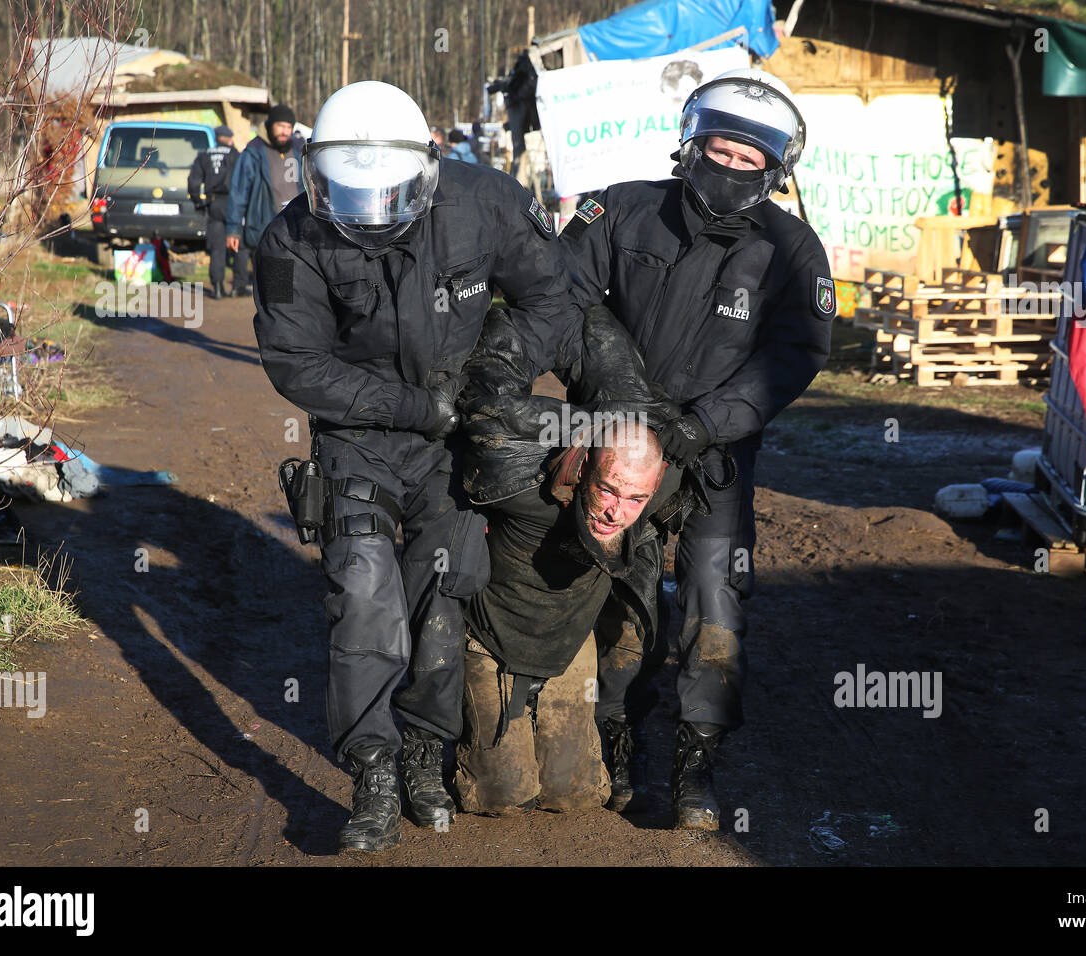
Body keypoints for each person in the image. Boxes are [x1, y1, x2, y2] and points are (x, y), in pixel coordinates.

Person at [251, 81, 582, 853]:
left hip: (458, 435)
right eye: (350, 197)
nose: (370, 216)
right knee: (364, 591)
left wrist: (492, 379)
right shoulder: (293, 238)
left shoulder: (487, 203)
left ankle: (427, 752)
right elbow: (297, 361)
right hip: (361, 432)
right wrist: (412, 407)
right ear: (318, 172)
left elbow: (550, 301)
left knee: (442, 594)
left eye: (388, 196)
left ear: (427, 169)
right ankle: (372, 767)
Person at [559, 68, 836, 831]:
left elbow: (796, 354)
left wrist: (707, 423)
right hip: (616, 445)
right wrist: (617, 399)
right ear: (691, 142)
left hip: (717, 453)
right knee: (619, 597)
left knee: (715, 601)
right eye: (721, 149)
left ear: (778, 171)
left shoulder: (792, 249)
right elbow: (563, 301)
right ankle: (617, 748)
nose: (732, 167)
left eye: (752, 161)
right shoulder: (620, 209)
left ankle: (696, 767)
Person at [451, 305, 695, 814]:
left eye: (634, 499)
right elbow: (484, 406)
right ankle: (438, 733)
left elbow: (669, 427)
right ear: (584, 465)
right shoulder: (518, 484)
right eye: (607, 489)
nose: (615, 511)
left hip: (567, 646)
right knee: (501, 795)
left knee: (574, 796)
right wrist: (588, 422)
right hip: (493, 638)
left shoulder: (660, 485)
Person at [225, 104, 304, 296]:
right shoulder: (255, 150)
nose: (285, 131)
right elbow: (239, 190)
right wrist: (233, 229)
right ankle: (278, 323)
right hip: (268, 227)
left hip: (299, 228)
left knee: (299, 289)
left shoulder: (299, 149)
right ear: (269, 125)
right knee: (278, 294)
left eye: (288, 127)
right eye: (280, 126)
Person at [188, 125, 247, 299]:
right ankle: (239, 286)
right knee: (239, 245)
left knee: (217, 248)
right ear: (229, 139)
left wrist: (199, 202)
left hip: (214, 204)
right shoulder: (237, 155)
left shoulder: (204, 155)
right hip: (234, 203)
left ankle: (218, 287)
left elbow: (193, 183)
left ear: (216, 138)